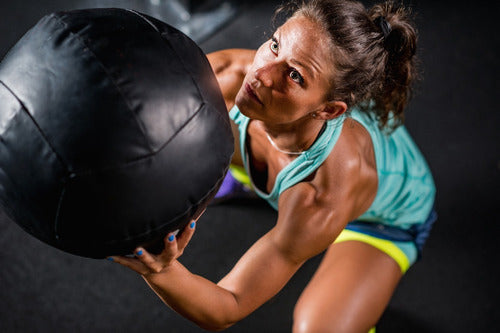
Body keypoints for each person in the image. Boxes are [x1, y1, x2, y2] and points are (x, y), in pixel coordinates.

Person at [110, 0, 436, 331]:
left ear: (328, 110)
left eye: (294, 75)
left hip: (384, 220)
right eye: (276, 44)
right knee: (195, 112)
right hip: (294, 137)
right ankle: (246, 178)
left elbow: (229, 304)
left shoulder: (319, 195)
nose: (261, 74)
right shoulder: (237, 74)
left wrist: (161, 270)